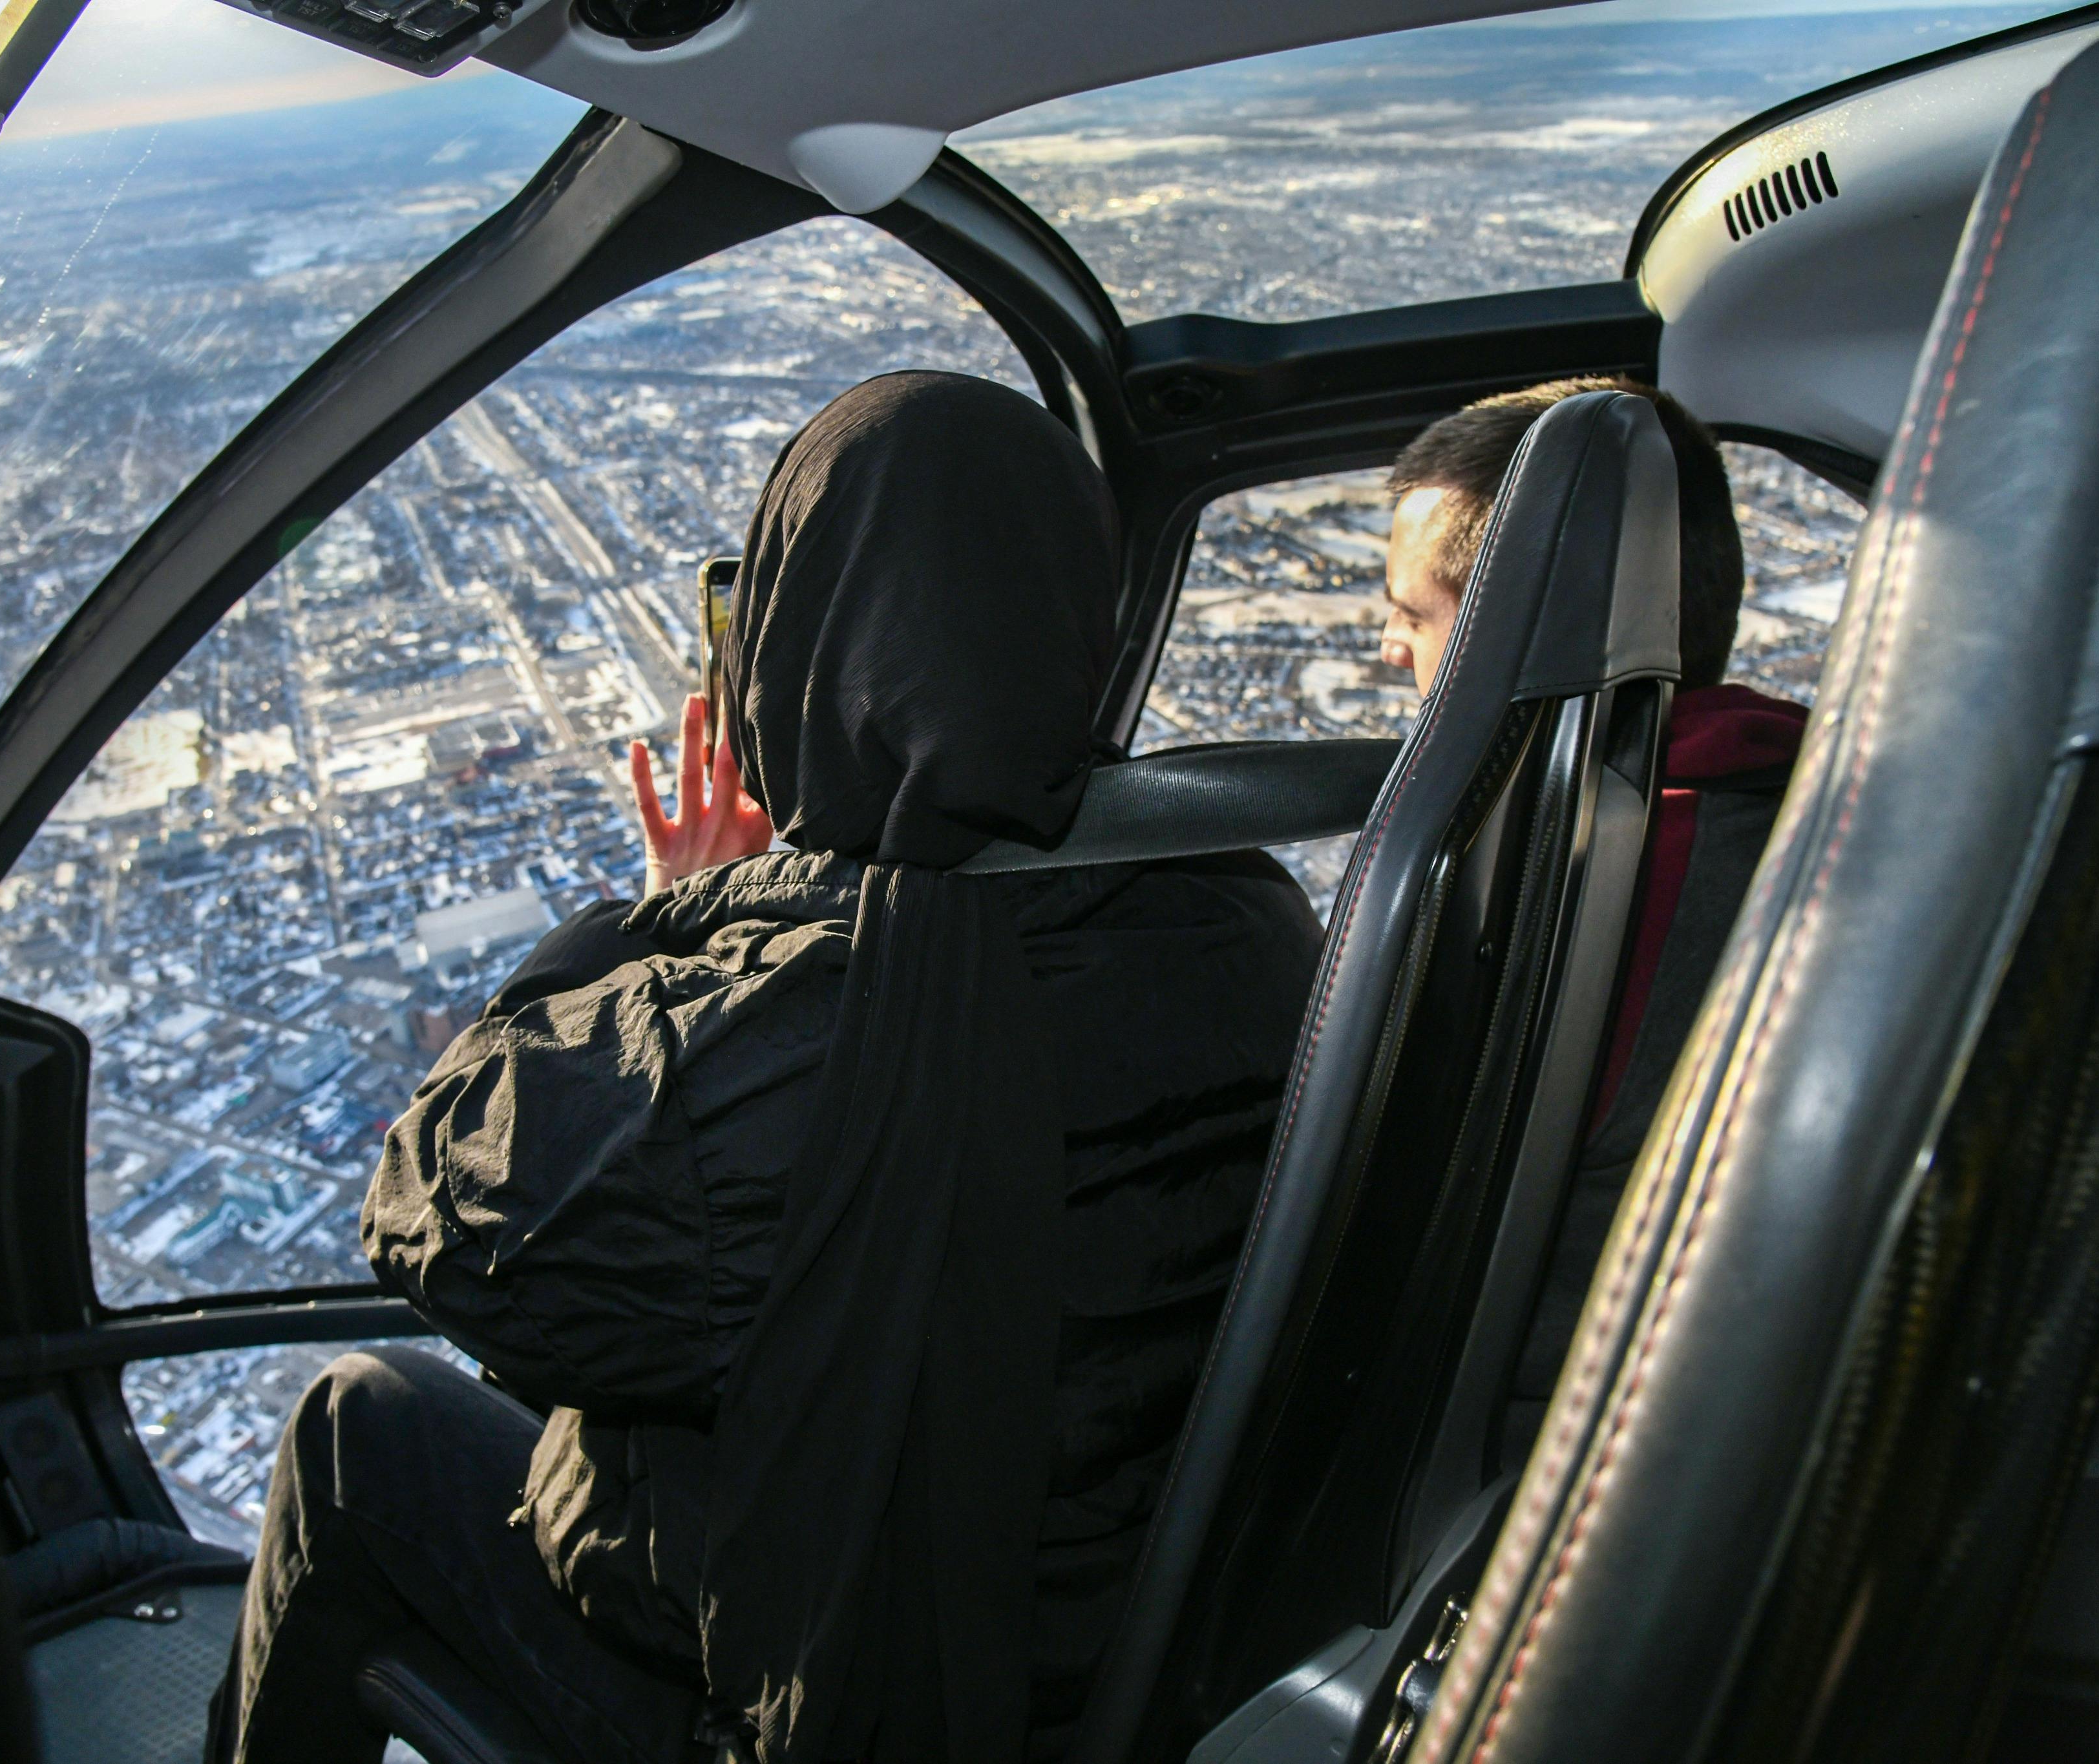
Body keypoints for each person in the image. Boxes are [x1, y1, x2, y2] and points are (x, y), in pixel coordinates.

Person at [211, 372, 1326, 1764]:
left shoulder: (806, 1027)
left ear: (800, 646)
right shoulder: (1245, 910)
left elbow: (438, 1215)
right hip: (1135, 1676)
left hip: (818, 1703)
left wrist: (675, 911)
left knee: (354, 1426)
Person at [1378, 375, 1813, 1453]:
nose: (1387, 650)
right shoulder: (1785, 810)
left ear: (1522, 640)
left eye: (1410, 615)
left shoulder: (1621, 877)